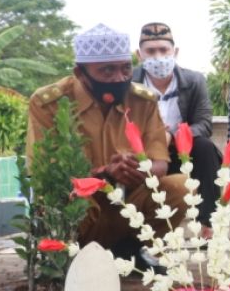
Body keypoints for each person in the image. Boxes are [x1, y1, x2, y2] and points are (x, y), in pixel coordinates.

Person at [26, 24, 187, 258]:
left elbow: (160, 163)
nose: (119, 78)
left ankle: (133, 250)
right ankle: (70, 257)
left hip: (128, 201)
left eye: (125, 69)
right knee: (67, 200)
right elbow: (46, 176)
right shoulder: (47, 103)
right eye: (107, 71)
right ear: (80, 73)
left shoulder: (143, 100)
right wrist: (104, 174)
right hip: (80, 210)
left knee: (180, 187)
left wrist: (137, 169)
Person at [131, 22, 221, 227]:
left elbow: (204, 124)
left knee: (205, 148)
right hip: (143, 154)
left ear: (175, 52)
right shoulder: (129, 82)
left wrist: (174, 135)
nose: (158, 56)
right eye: (151, 51)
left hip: (181, 150)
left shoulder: (194, 80)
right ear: (139, 55)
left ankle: (208, 222)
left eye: (164, 50)